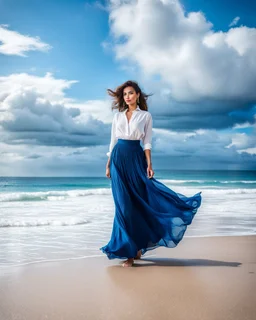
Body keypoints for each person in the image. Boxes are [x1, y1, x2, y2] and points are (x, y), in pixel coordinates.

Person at [100, 80, 202, 267]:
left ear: (138, 94)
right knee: (123, 207)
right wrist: (108, 164)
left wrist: (149, 164)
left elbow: (147, 143)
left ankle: (136, 247)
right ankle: (129, 252)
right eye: (125, 94)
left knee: (138, 205)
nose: (127, 97)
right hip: (118, 160)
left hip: (136, 159)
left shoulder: (145, 116)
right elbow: (113, 142)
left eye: (131, 93)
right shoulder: (118, 117)